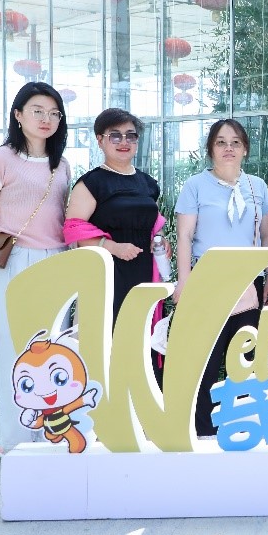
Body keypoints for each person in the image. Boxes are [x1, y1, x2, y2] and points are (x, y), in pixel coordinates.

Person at [0, 82, 72, 457]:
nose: (47, 119)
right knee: (11, 347)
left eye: (54, 113)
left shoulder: (61, 164)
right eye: (37, 111)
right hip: (14, 262)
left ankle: (50, 435)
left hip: (56, 261)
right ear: (18, 115)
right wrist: (6, 251)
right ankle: (12, 440)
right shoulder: (0, 158)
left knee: (53, 348)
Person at [174, 119, 268, 439]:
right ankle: (203, 429)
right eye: (220, 142)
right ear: (210, 149)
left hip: (248, 282)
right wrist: (184, 282)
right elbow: (184, 236)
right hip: (208, 281)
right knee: (207, 358)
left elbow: (267, 235)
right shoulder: (195, 186)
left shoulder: (257, 187)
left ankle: (243, 428)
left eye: (235, 142)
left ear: (245, 149)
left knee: (245, 359)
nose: (228, 148)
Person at [64, 109, 166, 377]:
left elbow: (151, 224)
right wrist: (113, 247)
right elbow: (74, 229)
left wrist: (160, 241)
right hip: (107, 274)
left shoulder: (148, 183)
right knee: (106, 339)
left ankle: (138, 398)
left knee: (141, 338)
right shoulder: (91, 183)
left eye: (131, 136)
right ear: (100, 140)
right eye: (115, 136)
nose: (124, 142)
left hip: (144, 272)